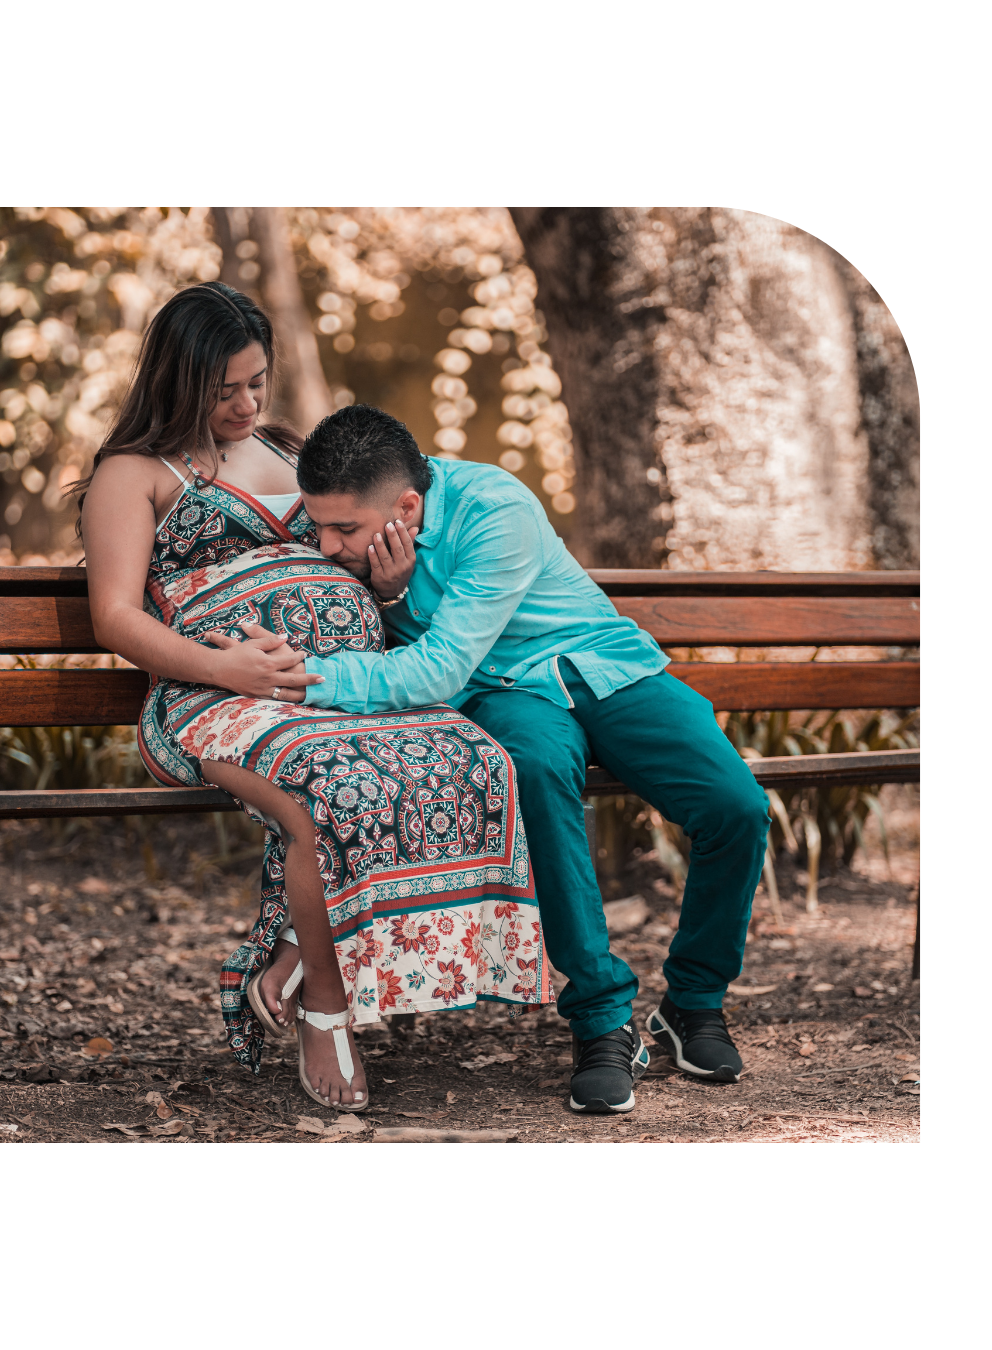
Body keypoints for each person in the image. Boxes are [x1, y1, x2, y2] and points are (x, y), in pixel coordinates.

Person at [77, 282, 553, 1114]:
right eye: (223, 389)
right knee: (328, 790)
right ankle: (325, 1011)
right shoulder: (134, 473)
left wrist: (392, 589)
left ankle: (298, 943)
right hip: (213, 694)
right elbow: (115, 616)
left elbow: (352, 557)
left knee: (472, 757)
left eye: (256, 380)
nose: (245, 402)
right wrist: (229, 671)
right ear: (176, 379)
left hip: (342, 683)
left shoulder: (293, 450)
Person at [293, 404, 772, 1115]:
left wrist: (303, 676)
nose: (325, 545)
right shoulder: (354, 541)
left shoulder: (495, 508)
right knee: (538, 779)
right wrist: (388, 593)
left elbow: (435, 671)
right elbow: (448, 664)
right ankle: (601, 1022)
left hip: (605, 667)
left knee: (737, 807)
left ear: (407, 505)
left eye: (344, 530)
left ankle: (694, 1004)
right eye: (318, 525)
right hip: (508, 693)